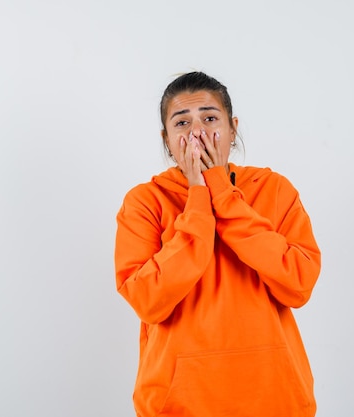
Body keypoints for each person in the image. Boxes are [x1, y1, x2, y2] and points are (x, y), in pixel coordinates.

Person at [114, 71, 321, 417]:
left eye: (210, 118)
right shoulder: (145, 202)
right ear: (167, 140)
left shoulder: (274, 190)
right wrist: (198, 198)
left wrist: (222, 192)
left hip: (275, 398)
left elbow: (298, 284)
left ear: (232, 129)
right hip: (179, 404)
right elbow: (149, 300)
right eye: (182, 123)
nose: (197, 133)